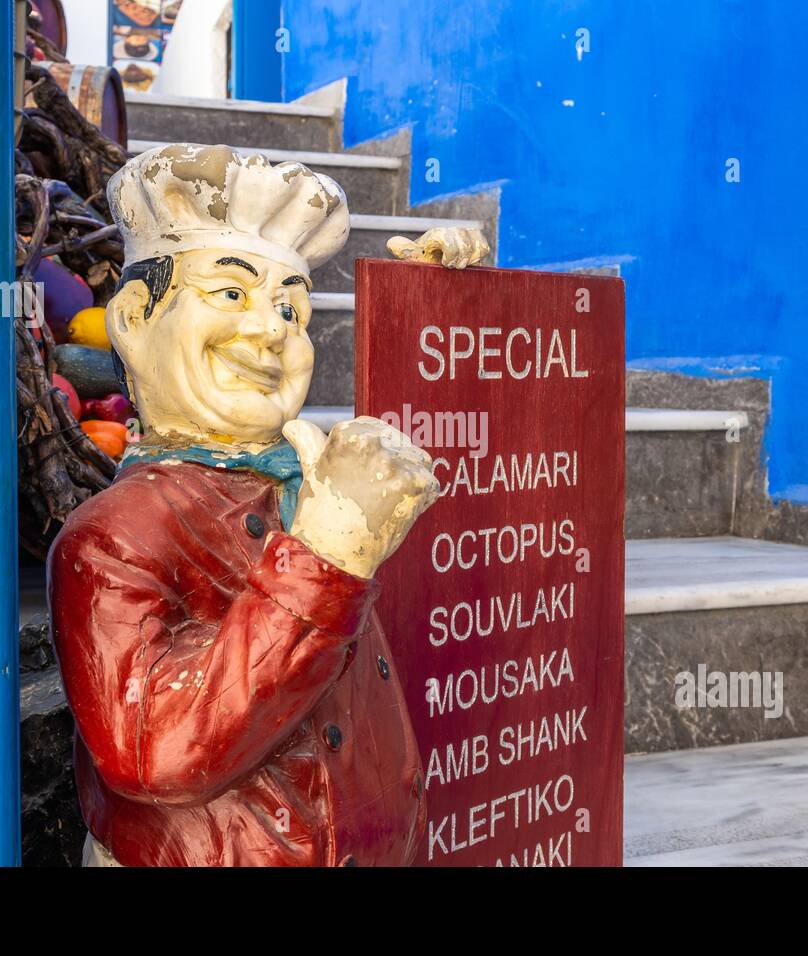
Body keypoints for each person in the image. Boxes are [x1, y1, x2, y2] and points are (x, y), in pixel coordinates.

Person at [47, 143, 487, 866]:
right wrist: (324, 559)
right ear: (131, 318)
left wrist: (446, 306)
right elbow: (157, 752)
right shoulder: (114, 538)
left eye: (292, 306)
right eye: (230, 293)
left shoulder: (306, 478)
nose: (273, 328)